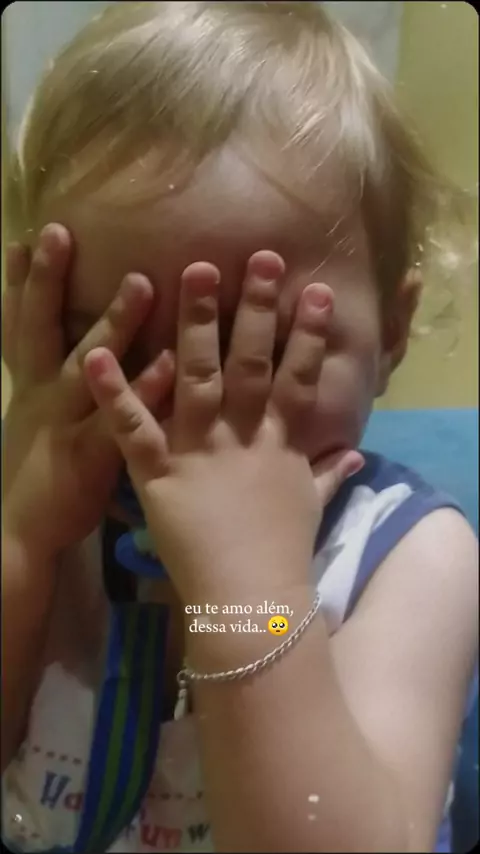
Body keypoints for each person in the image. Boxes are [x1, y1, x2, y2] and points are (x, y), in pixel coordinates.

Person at [1, 2, 477, 852]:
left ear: (391, 332)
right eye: (105, 344)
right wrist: (20, 545)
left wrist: (248, 592)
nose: (172, 416)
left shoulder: (409, 557)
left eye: (261, 348)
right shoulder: (40, 514)